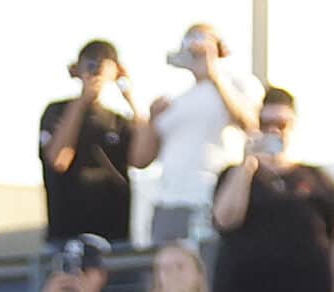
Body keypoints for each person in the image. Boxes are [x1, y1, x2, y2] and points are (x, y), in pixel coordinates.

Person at [210, 88, 334, 292]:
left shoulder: (318, 179)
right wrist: (248, 163)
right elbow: (225, 219)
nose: (274, 131)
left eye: (282, 124)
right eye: (266, 124)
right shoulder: (234, 175)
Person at [139, 23, 261, 251]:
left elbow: (250, 124)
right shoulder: (175, 99)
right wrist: (151, 119)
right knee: (166, 266)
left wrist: (213, 74)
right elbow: (142, 158)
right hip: (168, 201)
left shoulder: (239, 84)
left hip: (209, 197)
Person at [40, 40, 137, 246]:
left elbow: (142, 159)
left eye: (104, 63)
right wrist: (82, 102)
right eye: (91, 62)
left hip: (114, 235)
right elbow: (58, 160)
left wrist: (129, 93)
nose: (96, 69)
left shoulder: (119, 121)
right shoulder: (57, 111)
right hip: (65, 235)